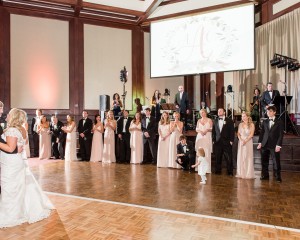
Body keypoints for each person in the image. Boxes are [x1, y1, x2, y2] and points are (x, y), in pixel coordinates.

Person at [0, 108, 54, 228]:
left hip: (10, 164)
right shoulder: (22, 129)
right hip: (15, 162)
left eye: (8, 114)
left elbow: (9, 148)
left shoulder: (12, 130)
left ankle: (10, 214)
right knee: (16, 187)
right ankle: (18, 210)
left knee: (10, 187)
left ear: (13, 116)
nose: (6, 115)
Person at [257, 106, 284, 183]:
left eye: (270, 111)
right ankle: (265, 175)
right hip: (264, 144)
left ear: (274, 112)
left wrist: (278, 145)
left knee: (276, 161)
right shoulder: (265, 121)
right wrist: (260, 143)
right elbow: (262, 133)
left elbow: (281, 135)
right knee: (264, 161)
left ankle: (278, 177)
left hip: (274, 145)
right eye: (268, 111)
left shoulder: (279, 122)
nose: (268, 113)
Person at [212, 108, 235, 175]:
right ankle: (217, 171)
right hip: (217, 142)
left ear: (224, 112)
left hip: (227, 142)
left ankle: (230, 172)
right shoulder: (215, 120)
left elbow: (232, 131)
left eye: (220, 111)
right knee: (218, 157)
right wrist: (213, 140)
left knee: (228, 157)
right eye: (218, 111)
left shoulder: (229, 120)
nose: (219, 112)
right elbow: (213, 131)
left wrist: (231, 140)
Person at [236, 112, 255, 179]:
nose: (243, 118)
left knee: (248, 156)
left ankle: (248, 173)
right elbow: (238, 134)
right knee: (241, 156)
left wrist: (245, 141)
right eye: (242, 116)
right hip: (241, 142)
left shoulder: (252, 124)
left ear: (247, 117)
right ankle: (241, 173)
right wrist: (241, 140)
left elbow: (251, 134)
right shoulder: (240, 124)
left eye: (244, 116)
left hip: (248, 142)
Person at [195, 109, 213, 173]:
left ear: (205, 113)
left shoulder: (209, 120)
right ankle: (199, 168)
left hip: (207, 137)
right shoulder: (199, 120)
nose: (201, 114)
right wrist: (200, 131)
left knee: (206, 151)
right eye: (200, 113)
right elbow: (196, 129)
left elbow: (211, 128)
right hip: (200, 137)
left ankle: (206, 169)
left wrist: (206, 130)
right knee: (200, 151)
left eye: (203, 112)